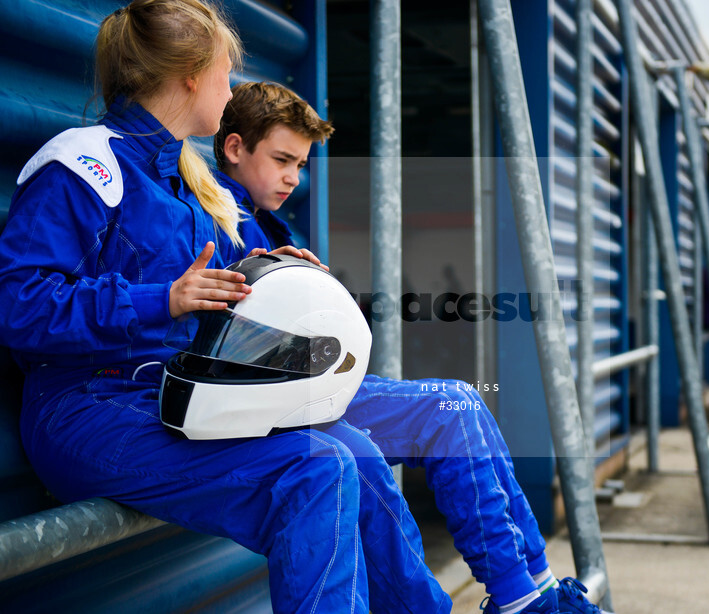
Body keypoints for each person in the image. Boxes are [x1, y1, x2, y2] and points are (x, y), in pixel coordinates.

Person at [0, 2, 450, 613]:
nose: (229, 88)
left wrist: (270, 272)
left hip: (176, 395)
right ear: (190, 76)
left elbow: (208, 290)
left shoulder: (187, 180)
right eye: (224, 74)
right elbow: (20, 307)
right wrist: (162, 300)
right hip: (88, 407)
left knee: (360, 456)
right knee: (315, 471)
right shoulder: (84, 162)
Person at [213, 81, 613, 614]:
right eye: (282, 159)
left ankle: (527, 592)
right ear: (235, 148)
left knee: (458, 403)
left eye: (302, 164)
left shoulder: (266, 222)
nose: (294, 177)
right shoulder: (207, 219)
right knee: (366, 457)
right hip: (268, 408)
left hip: (309, 391)